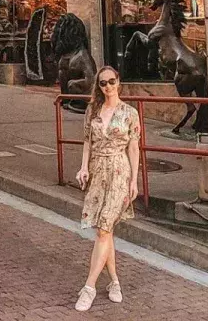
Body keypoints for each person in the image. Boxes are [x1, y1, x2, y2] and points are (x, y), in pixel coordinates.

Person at [74, 67, 140, 312]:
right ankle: (114, 282)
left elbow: (134, 149)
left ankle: (89, 287)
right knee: (106, 230)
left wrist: (134, 180)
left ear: (119, 82)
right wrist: (83, 168)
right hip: (98, 171)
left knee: (103, 229)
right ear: (98, 86)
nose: (108, 87)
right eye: (103, 83)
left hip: (119, 172)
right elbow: (87, 142)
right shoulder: (92, 110)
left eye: (112, 82)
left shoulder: (130, 113)